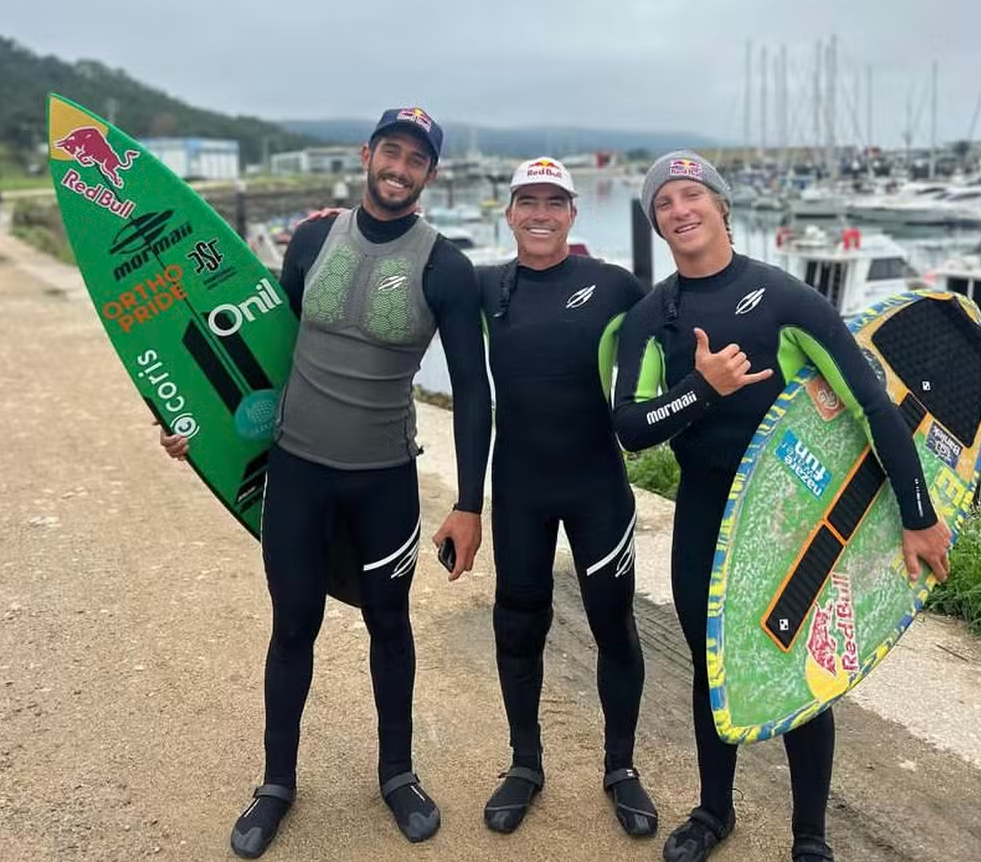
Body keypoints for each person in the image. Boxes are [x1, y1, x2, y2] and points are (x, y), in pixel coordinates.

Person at [161, 107, 492, 858]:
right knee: (293, 624)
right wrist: (195, 427)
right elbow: (261, 354)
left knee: (388, 624)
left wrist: (470, 502)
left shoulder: (447, 267)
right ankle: (277, 781)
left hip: (383, 480)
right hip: (299, 472)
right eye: (391, 152)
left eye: (416, 160)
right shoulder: (310, 240)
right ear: (367, 153)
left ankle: (397, 772)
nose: (399, 168)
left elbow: (472, 389)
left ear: (429, 175)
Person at [612, 150, 952, 862]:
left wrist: (916, 512)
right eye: (663, 203)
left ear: (721, 205)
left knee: (804, 669)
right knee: (714, 667)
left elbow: (870, 406)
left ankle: (809, 835)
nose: (679, 210)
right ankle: (712, 812)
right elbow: (632, 427)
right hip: (706, 513)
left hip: (795, 516)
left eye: (691, 195)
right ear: (656, 222)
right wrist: (703, 388)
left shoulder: (786, 300)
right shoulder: (652, 317)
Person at [475, 158, 657, 837]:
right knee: (517, 623)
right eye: (528, 200)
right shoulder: (486, 285)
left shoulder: (612, 284)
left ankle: (620, 766)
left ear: (573, 213)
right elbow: (409, 293)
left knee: (614, 625)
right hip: (519, 485)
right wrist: (335, 223)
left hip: (595, 485)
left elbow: (680, 331)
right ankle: (524, 762)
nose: (541, 212)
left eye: (555, 201)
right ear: (509, 211)